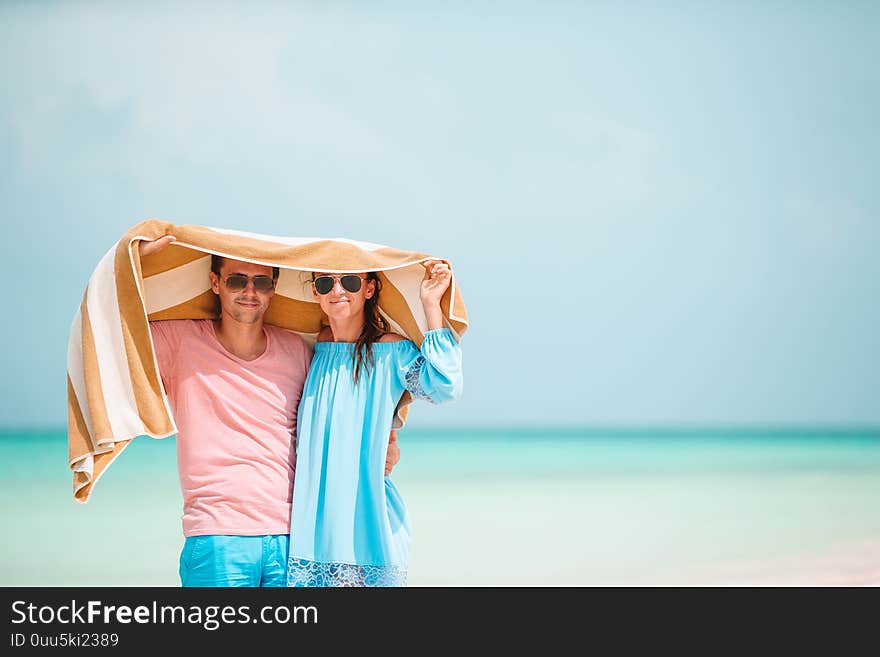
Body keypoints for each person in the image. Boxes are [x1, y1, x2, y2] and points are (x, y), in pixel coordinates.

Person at [137, 235, 400, 587]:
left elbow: (347, 394)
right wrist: (135, 264)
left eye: (261, 281)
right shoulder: (179, 342)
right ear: (215, 283)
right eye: (236, 280)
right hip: (217, 535)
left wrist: (391, 431)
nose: (249, 291)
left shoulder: (298, 351)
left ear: (273, 288)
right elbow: (113, 332)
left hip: (293, 539)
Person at [287, 262, 463, 587]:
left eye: (350, 282)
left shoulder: (390, 350)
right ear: (315, 292)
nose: (337, 291)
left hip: (366, 518)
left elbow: (444, 386)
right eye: (325, 283)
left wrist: (431, 304)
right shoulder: (318, 346)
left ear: (369, 289)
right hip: (315, 525)